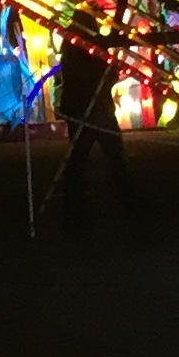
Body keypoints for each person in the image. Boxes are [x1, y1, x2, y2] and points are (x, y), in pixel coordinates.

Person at [51, 35, 138, 229]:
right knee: (113, 160)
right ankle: (130, 203)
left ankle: (73, 209)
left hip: (82, 110)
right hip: (98, 111)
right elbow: (109, 75)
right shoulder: (93, 50)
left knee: (78, 162)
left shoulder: (70, 53)